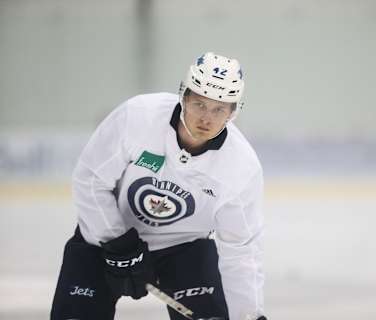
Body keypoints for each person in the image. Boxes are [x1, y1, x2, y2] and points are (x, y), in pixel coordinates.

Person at [50, 52, 267, 320]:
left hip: (185, 250)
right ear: (183, 95)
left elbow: (241, 249)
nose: (206, 118)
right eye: (199, 104)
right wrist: (117, 243)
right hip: (105, 240)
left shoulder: (241, 166)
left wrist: (247, 316)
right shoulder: (138, 117)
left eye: (219, 109)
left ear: (233, 112)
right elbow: (90, 179)